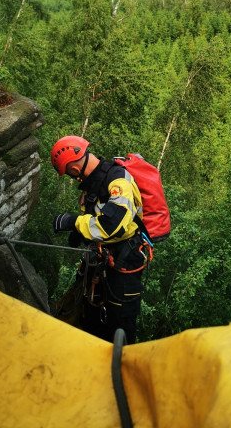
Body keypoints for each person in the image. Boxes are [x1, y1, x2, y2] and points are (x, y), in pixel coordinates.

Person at [50, 135, 151, 343]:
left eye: (70, 174)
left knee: (120, 326)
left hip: (125, 262)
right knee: (92, 314)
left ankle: (122, 369)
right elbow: (97, 216)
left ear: (74, 170)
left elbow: (112, 225)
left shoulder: (118, 180)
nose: (73, 178)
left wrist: (73, 223)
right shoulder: (94, 183)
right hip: (103, 258)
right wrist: (81, 233)